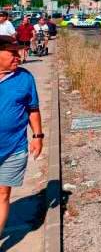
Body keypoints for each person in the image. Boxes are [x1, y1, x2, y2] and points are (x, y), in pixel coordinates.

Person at [0, 36, 43, 238]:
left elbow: (32, 109)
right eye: (13, 53)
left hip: (13, 148)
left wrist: (38, 136)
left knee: (2, 194)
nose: (18, 57)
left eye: (18, 52)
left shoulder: (25, 78)